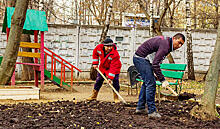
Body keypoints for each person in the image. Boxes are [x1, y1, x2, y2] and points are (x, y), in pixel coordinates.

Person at [133, 33, 185, 118]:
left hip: (143, 59)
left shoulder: (167, 44)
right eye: (179, 42)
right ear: (174, 38)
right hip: (141, 59)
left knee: (147, 83)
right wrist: (163, 80)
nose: (179, 46)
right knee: (151, 84)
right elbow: (155, 64)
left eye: (181, 44)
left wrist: (157, 74)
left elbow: (156, 60)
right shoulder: (166, 45)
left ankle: (141, 107)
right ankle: (152, 112)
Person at [87, 38, 122, 103]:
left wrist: (110, 78)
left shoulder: (115, 54)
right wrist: (95, 63)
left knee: (115, 82)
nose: (109, 48)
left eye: (111, 46)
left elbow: (113, 67)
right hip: (103, 68)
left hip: (114, 68)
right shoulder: (99, 48)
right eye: (107, 46)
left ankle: (116, 97)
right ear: (104, 45)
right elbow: (95, 53)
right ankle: (94, 96)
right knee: (98, 81)